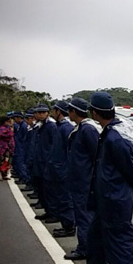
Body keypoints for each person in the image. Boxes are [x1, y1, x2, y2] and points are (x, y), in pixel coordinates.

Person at [69, 91, 133, 264]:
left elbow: (129, 167)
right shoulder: (107, 132)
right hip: (105, 197)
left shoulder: (115, 137)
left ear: (94, 112)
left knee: (119, 242)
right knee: (96, 238)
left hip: (115, 199)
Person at [64, 98, 101, 260]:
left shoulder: (88, 129)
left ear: (74, 111)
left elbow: (96, 156)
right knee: (81, 215)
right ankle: (84, 245)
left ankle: (85, 248)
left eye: (69, 111)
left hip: (85, 182)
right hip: (79, 180)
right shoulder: (80, 128)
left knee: (84, 216)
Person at [44, 100, 76, 238]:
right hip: (57, 169)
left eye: (54, 110)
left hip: (63, 170)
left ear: (59, 112)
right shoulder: (59, 126)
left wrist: (63, 168)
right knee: (60, 198)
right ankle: (65, 224)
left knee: (65, 200)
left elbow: (69, 150)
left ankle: (69, 226)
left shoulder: (66, 128)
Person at [32, 104, 57, 222]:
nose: (41, 114)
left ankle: (53, 213)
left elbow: (54, 145)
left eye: (43, 112)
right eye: (39, 112)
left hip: (47, 162)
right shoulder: (40, 126)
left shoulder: (51, 126)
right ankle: (48, 211)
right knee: (42, 189)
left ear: (47, 113)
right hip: (39, 162)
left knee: (50, 191)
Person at [11, 112, 29, 184]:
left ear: (19, 117)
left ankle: (24, 178)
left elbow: (23, 138)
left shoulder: (23, 126)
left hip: (21, 147)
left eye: (15, 118)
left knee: (21, 163)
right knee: (18, 163)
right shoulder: (19, 125)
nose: (14, 120)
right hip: (18, 146)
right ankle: (21, 176)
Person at [0, 116, 15, 181]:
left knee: (8, 160)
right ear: (4, 122)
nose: (9, 123)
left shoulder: (7, 128)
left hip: (9, 147)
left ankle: (4, 174)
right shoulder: (1, 129)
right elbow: (7, 135)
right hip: (3, 147)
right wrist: (11, 132)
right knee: (3, 160)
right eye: (8, 121)